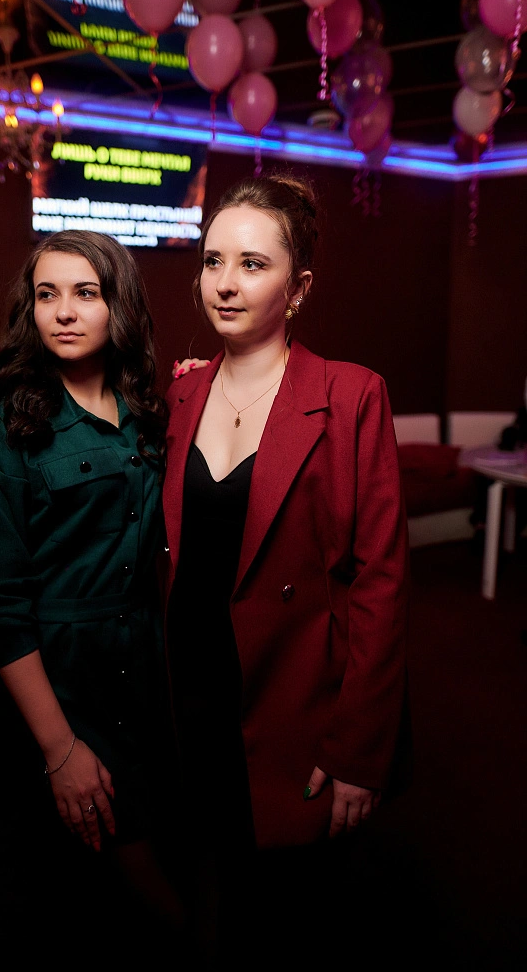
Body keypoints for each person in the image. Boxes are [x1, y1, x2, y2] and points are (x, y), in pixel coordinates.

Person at [162, 172, 411, 963]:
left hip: (292, 700)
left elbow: (380, 582)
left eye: (253, 264)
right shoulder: (179, 397)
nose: (225, 283)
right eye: (213, 261)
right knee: (205, 892)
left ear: (298, 288)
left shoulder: (351, 395)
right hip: (189, 694)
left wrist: (358, 752)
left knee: (288, 921)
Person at [0, 231, 183, 961]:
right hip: (56, 675)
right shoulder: (4, 423)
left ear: (120, 305)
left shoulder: (146, 407)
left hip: (141, 660)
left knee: (152, 829)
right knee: (100, 847)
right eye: (46, 294)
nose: (64, 311)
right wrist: (57, 748)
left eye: (86, 292)